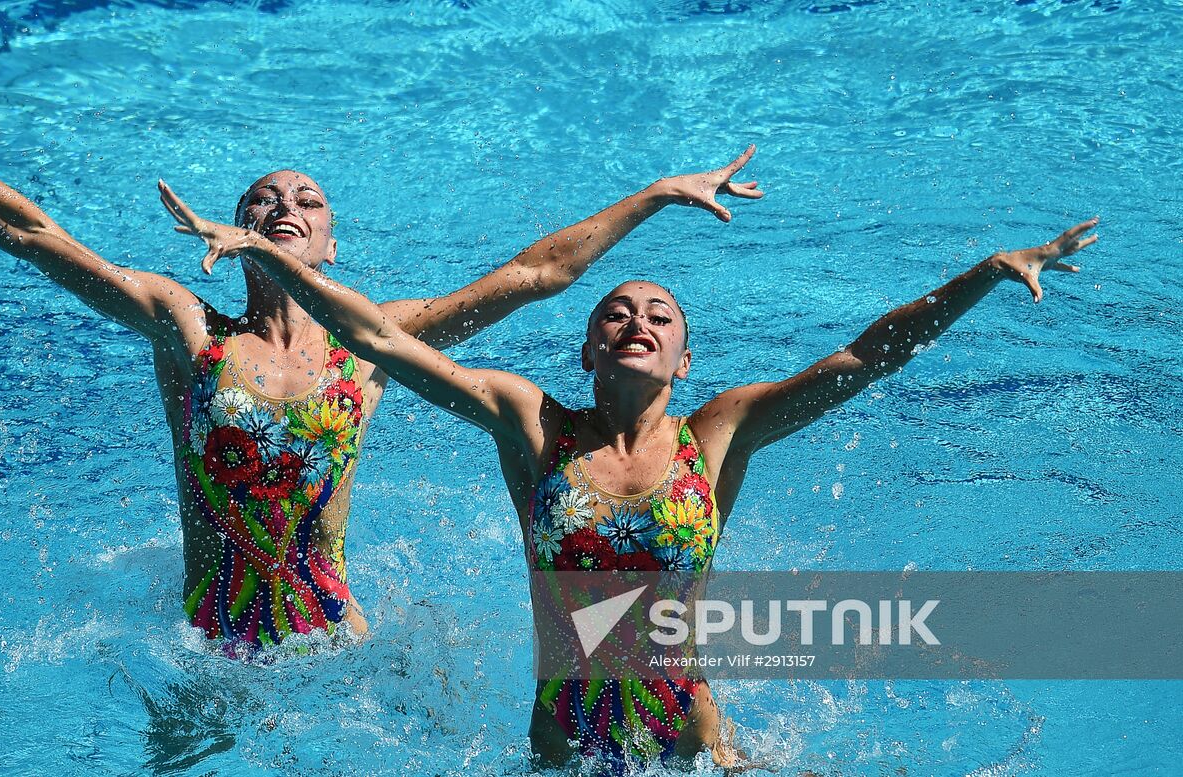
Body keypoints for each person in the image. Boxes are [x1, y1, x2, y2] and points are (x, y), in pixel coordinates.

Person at [158, 177, 1096, 767]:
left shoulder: (719, 434)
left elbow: (865, 357)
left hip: (696, 749)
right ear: (587, 350)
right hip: (562, 753)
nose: (636, 318)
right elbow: (375, 337)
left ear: (685, 358)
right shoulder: (532, 427)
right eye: (615, 311)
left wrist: (982, 274)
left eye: (659, 313)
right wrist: (272, 264)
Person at [0, 69, 764, 653]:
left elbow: (538, 272)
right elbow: (31, 236)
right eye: (263, 198)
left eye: (307, 201)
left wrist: (656, 194)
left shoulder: (374, 344)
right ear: (232, 232)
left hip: (333, 649)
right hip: (204, 644)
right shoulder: (187, 327)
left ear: (330, 245)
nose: (285, 206)